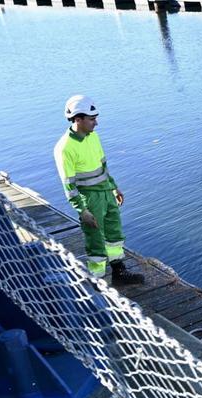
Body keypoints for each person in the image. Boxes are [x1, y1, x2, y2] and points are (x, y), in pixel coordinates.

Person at [53, 95, 144, 284]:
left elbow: (103, 167)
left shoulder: (93, 137)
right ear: (78, 119)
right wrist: (82, 210)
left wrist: (114, 187)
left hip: (106, 193)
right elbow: (68, 184)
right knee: (95, 240)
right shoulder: (64, 148)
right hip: (89, 199)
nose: (97, 123)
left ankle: (119, 273)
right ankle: (98, 282)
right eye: (92, 119)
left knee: (114, 234)